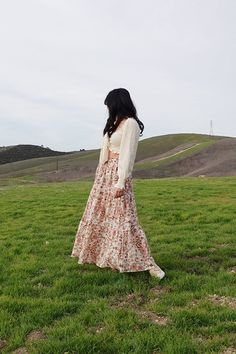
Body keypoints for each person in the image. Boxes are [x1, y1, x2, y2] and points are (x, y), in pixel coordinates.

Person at [71, 88, 165, 279]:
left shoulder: (130, 124)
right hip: (105, 173)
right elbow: (105, 150)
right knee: (104, 216)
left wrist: (121, 182)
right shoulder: (114, 123)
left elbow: (128, 154)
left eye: (110, 105)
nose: (108, 109)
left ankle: (147, 262)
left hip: (118, 174)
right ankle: (110, 257)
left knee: (124, 220)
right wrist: (100, 174)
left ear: (118, 103)